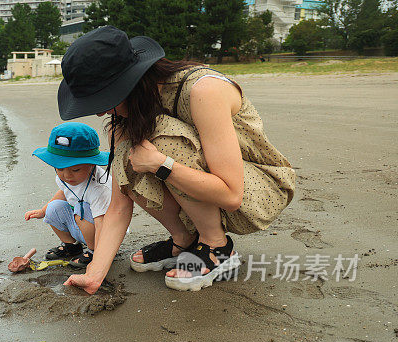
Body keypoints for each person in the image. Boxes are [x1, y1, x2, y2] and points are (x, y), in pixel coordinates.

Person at [57, 26, 296, 293]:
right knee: (129, 154)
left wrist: (160, 164)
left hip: (258, 189)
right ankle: (184, 240)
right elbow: (118, 206)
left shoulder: (203, 90)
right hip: (204, 188)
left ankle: (216, 246)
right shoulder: (126, 117)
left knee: (159, 142)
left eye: (102, 101)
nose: (100, 113)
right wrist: (94, 273)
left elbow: (231, 194)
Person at [24, 122, 113, 268]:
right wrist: (42, 211)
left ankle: (93, 252)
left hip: (104, 233)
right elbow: (64, 193)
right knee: (53, 208)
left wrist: (102, 255)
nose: (67, 175)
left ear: (91, 164)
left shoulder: (100, 188)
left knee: (80, 209)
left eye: (76, 170)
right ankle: (72, 246)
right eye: (60, 168)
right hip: (83, 226)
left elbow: (103, 222)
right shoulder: (66, 178)